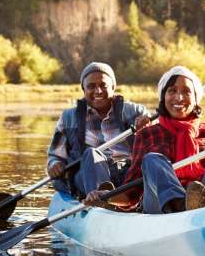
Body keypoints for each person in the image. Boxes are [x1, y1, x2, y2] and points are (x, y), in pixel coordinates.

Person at [86, 65, 205, 213]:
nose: (179, 97)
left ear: (195, 99)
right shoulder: (148, 134)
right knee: (153, 158)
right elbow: (132, 195)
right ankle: (180, 205)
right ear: (163, 97)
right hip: (162, 209)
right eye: (172, 91)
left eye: (186, 91)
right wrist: (106, 197)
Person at [47, 62, 150, 199]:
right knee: (91, 153)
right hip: (87, 175)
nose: (98, 91)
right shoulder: (68, 117)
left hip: (128, 174)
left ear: (113, 87)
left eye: (103, 85)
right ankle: (101, 199)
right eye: (91, 86)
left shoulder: (137, 111)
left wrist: (147, 127)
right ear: (83, 89)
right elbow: (55, 155)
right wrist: (54, 164)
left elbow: (155, 143)